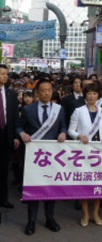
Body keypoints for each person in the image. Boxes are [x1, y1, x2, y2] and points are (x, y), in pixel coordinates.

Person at [17, 78, 67, 235]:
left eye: (49, 90)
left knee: (50, 189)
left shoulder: (59, 109)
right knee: (34, 188)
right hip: (35, 156)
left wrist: (63, 133)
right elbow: (18, 125)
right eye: (43, 90)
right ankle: (31, 221)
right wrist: (22, 133)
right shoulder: (28, 109)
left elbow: (63, 126)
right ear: (37, 93)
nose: (46, 93)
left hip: (53, 156)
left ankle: (49, 219)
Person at [68, 82, 102, 227]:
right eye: (89, 93)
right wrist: (79, 136)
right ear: (85, 95)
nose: (92, 96)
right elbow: (70, 130)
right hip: (84, 152)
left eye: (94, 93)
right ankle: (85, 214)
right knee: (85, 185)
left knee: (98, 185)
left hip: (99, 153)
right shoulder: (78, 110)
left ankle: (96, 213)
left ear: (98, 96)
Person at [0, 64, 19, 209]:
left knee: (4, 170)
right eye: (2, 74)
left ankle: (3, 199)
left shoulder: (11, 94)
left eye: (6, 74)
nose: (5, 76)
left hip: (6, 135)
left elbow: (13, 117)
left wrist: (15, 136)